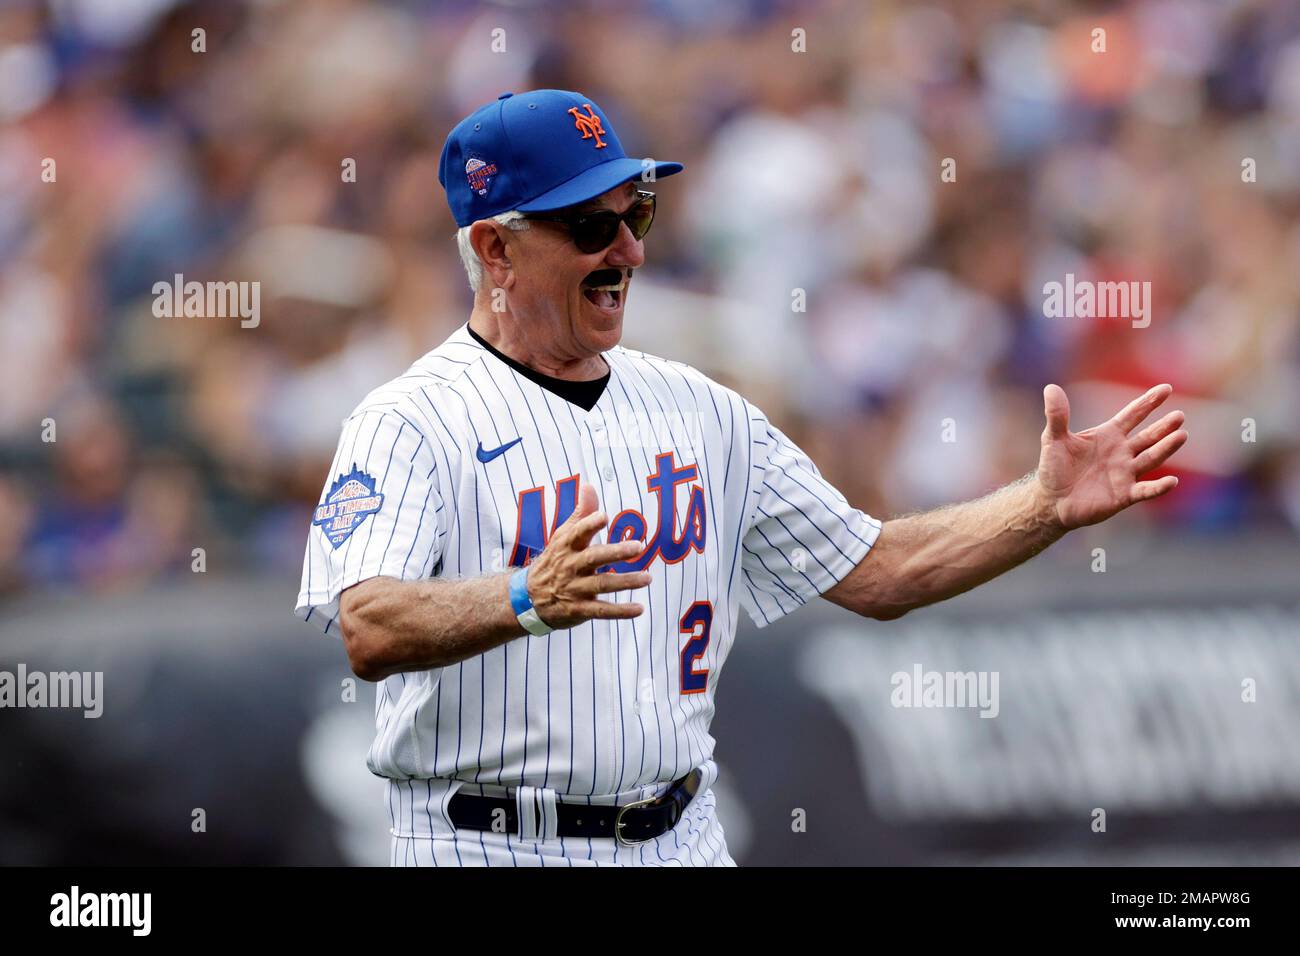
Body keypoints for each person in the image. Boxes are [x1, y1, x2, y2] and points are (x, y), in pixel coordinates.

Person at [295, 90, 1187, 866]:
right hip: (483, 841)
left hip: (681, 836)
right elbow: (369, 625)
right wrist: (525, 596)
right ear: (494, 249)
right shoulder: (409, 420)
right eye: (590, 227)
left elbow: (881, 572)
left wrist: (1041, 509)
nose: (628, 253)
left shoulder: (704, 411)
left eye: (634, 215)